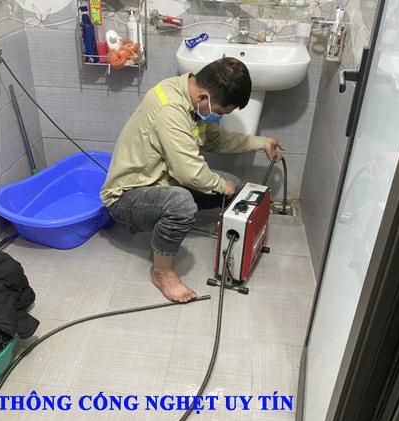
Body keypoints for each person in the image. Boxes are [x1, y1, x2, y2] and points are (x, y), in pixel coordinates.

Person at [100, 57, 284, 303]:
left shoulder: (194, 101)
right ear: (204, 98)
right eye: (220, 113)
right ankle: (162, 272)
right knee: (183, 203)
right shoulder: (169, 109)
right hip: (128, 195)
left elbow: (217, 141)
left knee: (234, 184)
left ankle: (177, 225)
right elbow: (189, 172)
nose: (218, 117)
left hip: (163, 180)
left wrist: (262, 142)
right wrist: (220, 186)